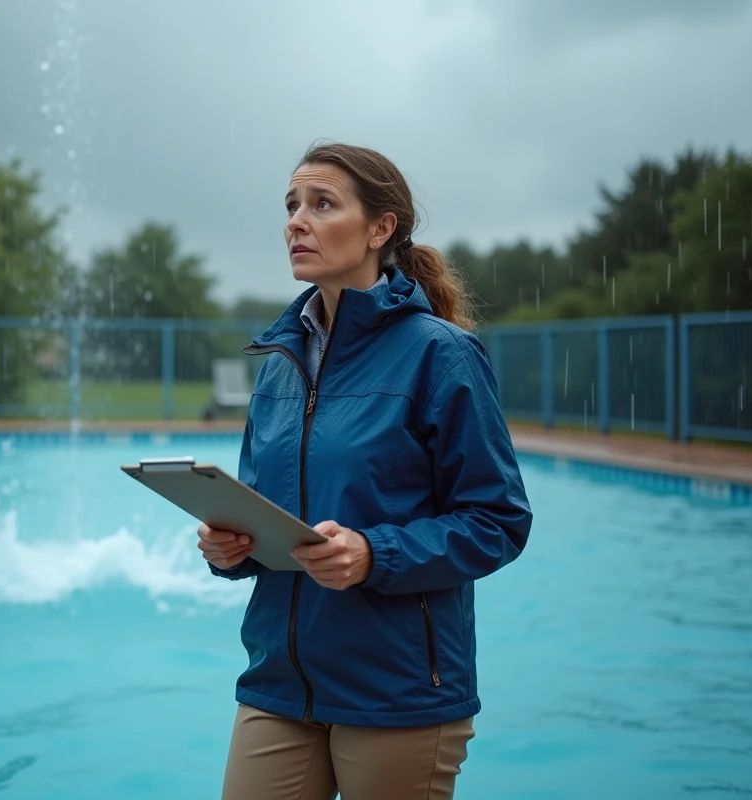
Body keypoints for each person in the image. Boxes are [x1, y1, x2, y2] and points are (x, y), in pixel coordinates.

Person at [197, 142, 533, 800]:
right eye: (292, 204)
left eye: (322, 204)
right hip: (278, 683)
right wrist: (229, 548)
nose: (297, 220)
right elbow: (261, 509)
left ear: (381, 229)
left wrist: (373, 554)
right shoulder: (277, 365)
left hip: (397, 691)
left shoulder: (441, 356)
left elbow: (497, 521)